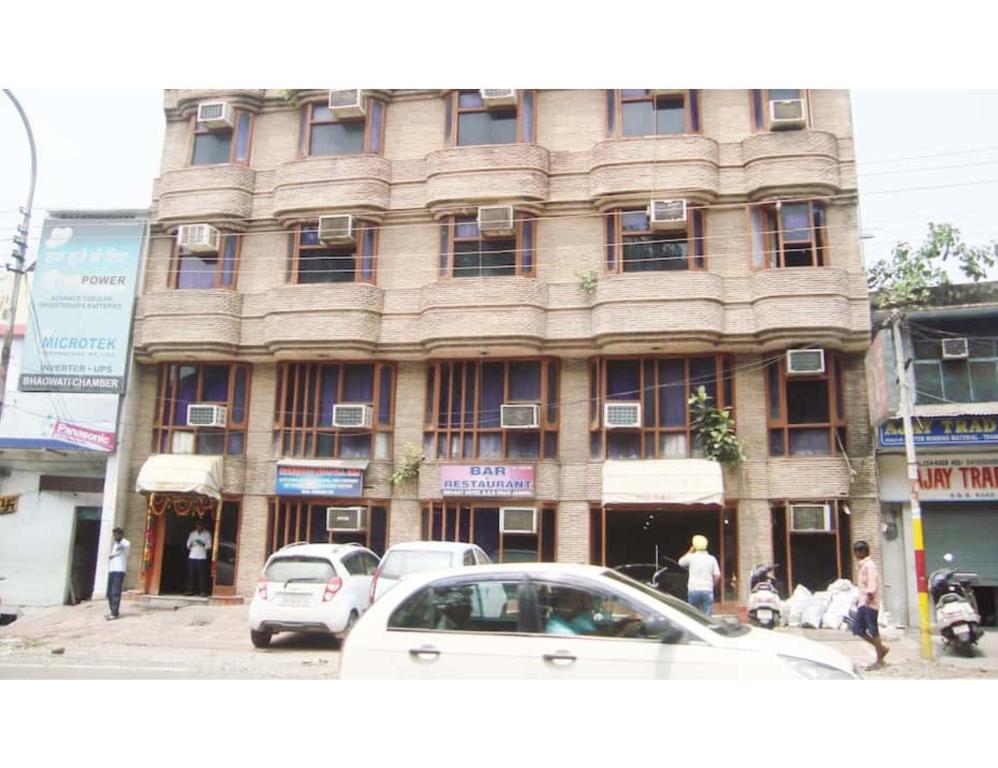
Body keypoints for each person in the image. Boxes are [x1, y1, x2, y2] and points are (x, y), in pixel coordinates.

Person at [852, 540, 889, 669]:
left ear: (862, 552)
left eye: (857, 551)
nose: (855, 554)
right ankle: (882, 648)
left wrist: (868, 598)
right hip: (863, 603)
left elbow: (872, 584)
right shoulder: (863, 565)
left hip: (869, 604)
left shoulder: (870, 566)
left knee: (873, 631)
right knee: (857, 629)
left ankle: (880, 660)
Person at [678, 534, 721, 617]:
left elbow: (680, 562)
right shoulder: (711, 558)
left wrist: (690, 551)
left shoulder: (691, 557)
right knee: (707, 617)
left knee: (694, 615)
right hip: (707, 590)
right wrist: (712, 585)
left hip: (694, 589)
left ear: (694, 546)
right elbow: (717, 575)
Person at [106, 527, 130, 620]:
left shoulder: (125, 543)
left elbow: (124, 547)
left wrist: (113, 555)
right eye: (114, 535)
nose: (114, 537)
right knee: (109, 593)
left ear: (120, 535)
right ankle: (113, 610)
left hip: (119, 571)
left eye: (116, 535)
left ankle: (114, 613)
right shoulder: (115, 544)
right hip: (112, 570)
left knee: (115, 592)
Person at [185, 519, 212, 597]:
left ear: (203, 526)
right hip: (192, 555)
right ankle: (189, 590)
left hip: (202, 556)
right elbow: (187, 544)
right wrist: (192, 544)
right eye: (197, 525)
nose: (199, 527)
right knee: (191, 574)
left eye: (200, 525)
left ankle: (203, 591)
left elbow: (209, 546)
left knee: (202, 575)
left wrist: (202, 544)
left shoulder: (207, 534)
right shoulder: (192, 533)